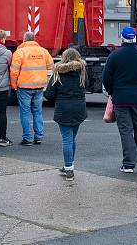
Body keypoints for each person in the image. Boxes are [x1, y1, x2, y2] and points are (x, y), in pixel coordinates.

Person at [102, 26, 137, 173]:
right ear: (135, 38)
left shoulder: (114, 56)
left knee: (126, 131)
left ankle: (129, 164)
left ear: (122, 38)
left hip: (120, 99)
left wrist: (113, 92)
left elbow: (106, 78)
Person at [44, 48, 87, 182]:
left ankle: (68, 168)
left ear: (64, 57)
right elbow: (88, 85)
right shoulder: (82, 71)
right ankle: (69, 164)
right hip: (79, 108)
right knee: (72, 138)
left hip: (63, 109)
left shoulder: (58, 72)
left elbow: (49, 94)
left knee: (67, 139)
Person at [11, 32, 53, 146]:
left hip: (24, 87)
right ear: (34, 39)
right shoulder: (43, 51)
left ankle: (27, 138)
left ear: (24, 40)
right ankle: (38, 136)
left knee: (25, 113)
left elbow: (14, 71)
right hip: (39, 86)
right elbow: (50, 67)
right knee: (37, 112)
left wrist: (14, 85)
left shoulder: (19, 52)